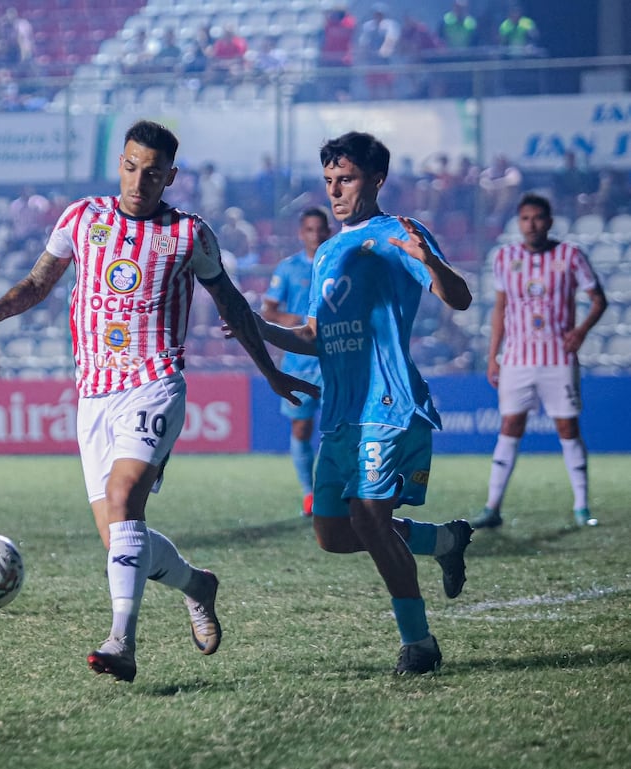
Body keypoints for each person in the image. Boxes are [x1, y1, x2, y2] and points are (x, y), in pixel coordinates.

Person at [0, 119, 319, 684]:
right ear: (121, 164)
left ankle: (120, 641)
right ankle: (197, 584)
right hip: (93, 395)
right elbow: (37, 283)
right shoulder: (82, 219)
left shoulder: (189, 234)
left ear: (169, 177)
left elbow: (231, 303)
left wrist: (271, 373)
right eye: (131, 167)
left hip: (155, 383)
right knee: (118, 538)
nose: (138, 181)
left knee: (126, 497)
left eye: (152, 173)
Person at [241, 131, 474, 674]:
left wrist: (431, 263)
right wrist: (260, 326)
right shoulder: (325, 253)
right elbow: (318, 336)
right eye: (328, 181)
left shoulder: (400, 234)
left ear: (376, 179)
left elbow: (459, 298)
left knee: (370, 519)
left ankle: (418, 644)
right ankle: (444, 539)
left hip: (388, 404)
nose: (335, 190)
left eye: (344, 178)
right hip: (341, 413)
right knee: (334, 534)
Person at [472, 193, 607, 530]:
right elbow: (500, 309)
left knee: (567, 428)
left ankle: (581, 506)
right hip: (517, 358)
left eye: (537, 218)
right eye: (525, 219)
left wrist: (581, 332)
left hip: (558, 358)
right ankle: (492, 507)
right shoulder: (505, 257)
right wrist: (493, 357)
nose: (531, 225)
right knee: (509, 426)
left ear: (549, 221)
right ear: (519, 223)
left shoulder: (570, 254)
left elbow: (598, 300)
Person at [261, 207, 331, 517]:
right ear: (301, 233)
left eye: (320, 229)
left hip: (335, 359)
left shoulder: (338, 263)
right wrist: (288, 318)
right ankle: (309, 494)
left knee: (339, 428)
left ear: (328, 231)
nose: (315, 235)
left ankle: (337, 491)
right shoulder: (288, 269)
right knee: (302, 428)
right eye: (310, 229)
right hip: (299, 362)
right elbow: (269, 311)